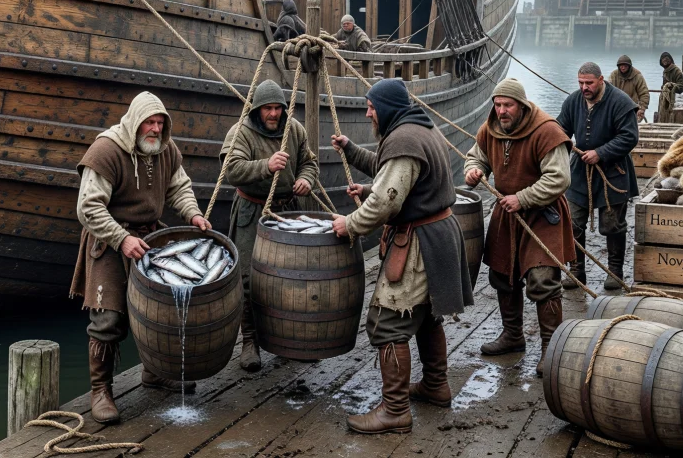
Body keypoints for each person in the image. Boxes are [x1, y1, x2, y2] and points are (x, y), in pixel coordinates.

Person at [330, 78, 473, 435]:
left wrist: (349, 224)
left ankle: (394, 410)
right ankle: (436, 386)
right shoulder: (419, 128)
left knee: (388, 320)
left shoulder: (405, 140)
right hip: (440, 233)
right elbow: (395, 180)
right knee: (425, 316)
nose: (367, 113)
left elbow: (385, 201)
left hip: (420, 242)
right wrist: (357, 165)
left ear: (386, 108)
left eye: (371, 106)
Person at [71, 91, 211, 424]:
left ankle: (155, 372)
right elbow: (87, 207)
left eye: (160, 123)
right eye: (150, 122)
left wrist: (192, 214)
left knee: (158, 309)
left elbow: (179, 187)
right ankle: (100, 391)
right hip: (109, 239)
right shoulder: (106, 151)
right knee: (108, 319)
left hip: (150, 237)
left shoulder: (165, 149)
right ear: (135, 122)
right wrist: (121, 239)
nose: (155, 129)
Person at [464, 79, 576, 369]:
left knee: (542, 280)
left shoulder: (547, 131)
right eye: (498, 105)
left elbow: (559, 179)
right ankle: (513, 335)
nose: (502, 111)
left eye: (508, 105)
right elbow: (475, 157)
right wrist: (474, 171)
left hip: (542, 214)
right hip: (506, 213)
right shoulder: (490, 128)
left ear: (522, 105)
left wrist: (523, 198)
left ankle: (551, 349)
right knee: (502, 275)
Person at [220, 79, 320, 372]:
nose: (274, 114)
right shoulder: (241, 133)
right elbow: (231, 170)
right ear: (257, 110)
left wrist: (306, 179)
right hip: (253, 211)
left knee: (291, 278)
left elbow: (309, 162)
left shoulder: (295, 129)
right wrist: (266, 165)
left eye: (278, 108)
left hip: (288, 213)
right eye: (268, 109)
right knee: (249, 279)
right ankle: (250, 341)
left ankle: (288, 340)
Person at [556, 62, 640, 292]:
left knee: (612, 224)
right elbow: (560, 129)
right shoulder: (573, 101)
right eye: (581, 83)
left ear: (601, 80)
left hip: (614, 173)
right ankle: (576, 270)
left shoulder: (621, 102)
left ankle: (615, 271)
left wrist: (601, 153)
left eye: (589, 83)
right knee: (572, 222)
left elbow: (630, 137)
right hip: (580, 172)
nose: (584, 87)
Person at [608, 54, 650, 122]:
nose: (623, 68)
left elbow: (644, 93)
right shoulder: (614, 75)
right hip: (616, 107)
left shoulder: (637, 76)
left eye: (625, 66)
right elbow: (607, 90)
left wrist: (642, 108)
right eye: (621, 66)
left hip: (631, 108)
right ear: (618, 66)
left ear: (629, 66)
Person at [657, 51, 683, 121]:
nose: (665, 61)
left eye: (666, 59)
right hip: (665, 97)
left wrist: (672, 86)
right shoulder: (665, 71)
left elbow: (682, 84)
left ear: (670, 60)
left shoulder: (676, 70)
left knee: (669, 115)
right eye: (663, 60)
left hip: (673, 99)